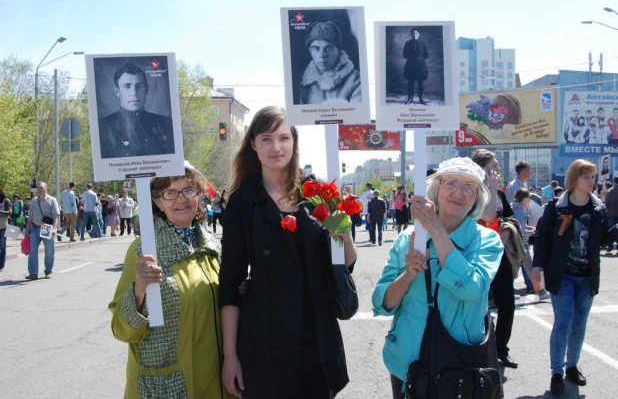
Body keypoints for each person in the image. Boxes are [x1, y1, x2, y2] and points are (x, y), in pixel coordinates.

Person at [219, 106, 357, 399]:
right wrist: (230, 356)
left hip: (317, 336)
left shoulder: (318, 194)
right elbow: (230, 285)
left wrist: (342, 234)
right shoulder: (243, 202)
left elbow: (344, 264)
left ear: (294, 141)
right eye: (266, 138)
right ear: (253, 143)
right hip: (264, 337)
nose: (276, 147)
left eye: (283, 137)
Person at [372, 157, 503, 398]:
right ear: (436, 188)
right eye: (450, 183)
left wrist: (435, 228)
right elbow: (382, 303)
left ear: (476, 198)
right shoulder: (408, 239)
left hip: (459, 366)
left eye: (469, 187)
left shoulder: (487, 240)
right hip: (407, 365)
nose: (458, 193)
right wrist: (407, 276)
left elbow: (470, 288)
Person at [108, 161, 233, 399]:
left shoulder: (213, 247)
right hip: (168, 387)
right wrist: (139, 291)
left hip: (216, 384)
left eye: (188, 190)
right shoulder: (143, 252)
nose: (181, 199)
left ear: (199, 195)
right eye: (169, 193)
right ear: (157, 201)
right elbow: (121, 331)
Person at [532, 159, 608, 394]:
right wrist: (537, 265)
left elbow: (604, 241)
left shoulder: (598, 208)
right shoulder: (556, 207)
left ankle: (572, 367)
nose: (591, 181)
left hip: (587, 276)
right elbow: (543, 237)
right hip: (562, 274)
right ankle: (557, 372)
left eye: (593, 177)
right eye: (587, 177)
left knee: (579, 324)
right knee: (564, 322)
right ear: (574, 180)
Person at [471, 149, 519, 368]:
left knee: (508, 303)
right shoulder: (471, 191)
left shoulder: (498, 193)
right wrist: (489, 186)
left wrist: (508, 229)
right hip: (476, 254)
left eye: (497, 166)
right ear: (482, 168)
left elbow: (507, 216)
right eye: (493, 166)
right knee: (476, 303)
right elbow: (487, 216)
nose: (498, 170)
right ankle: (478, 349)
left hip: (499, 254)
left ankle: (502, 349)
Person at [98, 62, 175, 158]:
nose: (134, 93)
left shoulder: (167, 123)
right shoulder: (103, 127)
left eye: (139, 86)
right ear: (117, 91)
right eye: (127, 86)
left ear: (146, 90)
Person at [299, 21, 361, 105]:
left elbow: (357, 115)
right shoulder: (306, 84)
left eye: (328, 48)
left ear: (339, 50)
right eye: (316, 48)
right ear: (310, 52)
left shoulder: (356, 80)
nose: (322, 55)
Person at [512, 188, 551, 300]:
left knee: (512, 268)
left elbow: (518, 226)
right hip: (521, 243)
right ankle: (541, 292)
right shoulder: (519, 210)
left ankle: (541, 291)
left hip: (517, 242)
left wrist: (527, 228)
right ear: (524, 198)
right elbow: (521, 230)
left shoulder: (516, 208)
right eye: (529, 197)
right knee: (532, 268)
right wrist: (532, 231)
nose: (530, 199)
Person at [24, 182, 60, 280]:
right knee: (32, 251)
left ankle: (48, 271)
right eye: (38, 188)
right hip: (35, 228)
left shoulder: (52, 200)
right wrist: (27, 230)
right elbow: (30, 217)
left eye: (41, 188)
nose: (39, 189)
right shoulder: (33, 201)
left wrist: (54, 228)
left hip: (46, 228)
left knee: (49, 251)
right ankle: (33, 273)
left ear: (46, 189)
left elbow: (55, 215)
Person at [403, 28, 429, 105]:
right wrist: (412, 59)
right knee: (410, 82)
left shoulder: (422, 43)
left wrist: (420, 59)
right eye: (413, 33)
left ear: (419, 34)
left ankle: (421, 98)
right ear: (411, 34)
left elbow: (426, 54)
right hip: (410, 66)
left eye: (416, 33)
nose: (415, 35)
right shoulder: (407, 43)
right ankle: (410, 98)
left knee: (420, 82)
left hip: (420, 66)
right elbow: (404, 54)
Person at [0, 192, 11, 272]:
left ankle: (1, 265)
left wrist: (1, 211)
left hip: (3, 226)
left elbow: (9, 212)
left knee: (2, 246)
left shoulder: (6, 201)